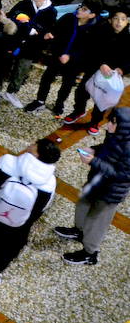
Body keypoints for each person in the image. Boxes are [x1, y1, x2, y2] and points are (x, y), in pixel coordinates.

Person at [0, 138, 60, 294]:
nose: (30, 144)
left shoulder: (7, 163)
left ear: (36, 153)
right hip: (21, 224)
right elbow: (42, 208)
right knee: (10, 249)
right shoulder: (49, 182)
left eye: (34, 145)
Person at [55, 106, 130, 266]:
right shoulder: (116, 135)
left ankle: (90, 253)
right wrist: (94, 150)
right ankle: (79, 231)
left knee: (97, 221)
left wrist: (94, 161)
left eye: (113, 123)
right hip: (97, 181)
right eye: (110, 121)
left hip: (110, 192)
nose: (108, 126)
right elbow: (109, 150)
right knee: (83, 204)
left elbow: (123, 175)